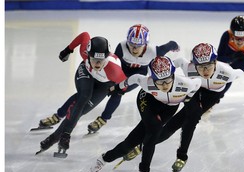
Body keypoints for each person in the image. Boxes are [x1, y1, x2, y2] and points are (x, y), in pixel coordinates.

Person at [117, 43, 244, 172]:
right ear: (193, 64)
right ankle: (145, 145)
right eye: (200, 67)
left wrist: (220, 96)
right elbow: (173, 63)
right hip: (194, 91)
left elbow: (239, 72)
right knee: (171, 124)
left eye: (208, 66)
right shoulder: (187, 67)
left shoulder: (227, 72)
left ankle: (181, 156)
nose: (205, 71)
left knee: (189, 121)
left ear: (215, 62)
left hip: (211, 96)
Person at [82, 56, 201, 172]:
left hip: (170, 107)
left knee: (129, 144)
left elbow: (196, 85)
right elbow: (133, 78)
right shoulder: (147, 83)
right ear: (152, 79)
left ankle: (104, 158)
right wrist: (117, 88)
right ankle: (144, 170)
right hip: (147, 101)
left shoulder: (186, 84)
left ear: (173, 75)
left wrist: (188, 99)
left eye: (167, 81)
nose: (164, 86)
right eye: (159, 82)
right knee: (154, 130)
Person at [37, 24, 180, 133]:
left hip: (135, 75)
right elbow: (114, 63)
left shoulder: (155, 51)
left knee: (118, 92)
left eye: (138, 46)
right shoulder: (122, 47)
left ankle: (103, 118)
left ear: (146, 44)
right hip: (119, 71)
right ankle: (59, 115)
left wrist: (175, 46)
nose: (134, 49)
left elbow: (171, 44)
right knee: (83, 95)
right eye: (132, 44)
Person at [35, 32, 127, 157]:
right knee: (84, 97)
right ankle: (66, 135)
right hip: (86, 73)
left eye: (101, 60)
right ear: (88, 54)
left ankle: (53, 138)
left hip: (104, 84)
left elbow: (124, 84)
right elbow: (84, 35)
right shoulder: (84, 51)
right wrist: (67, 50)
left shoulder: (114, 70)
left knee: (80, 110)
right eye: (94, 60)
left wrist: (116, 90)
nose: (98, 64)